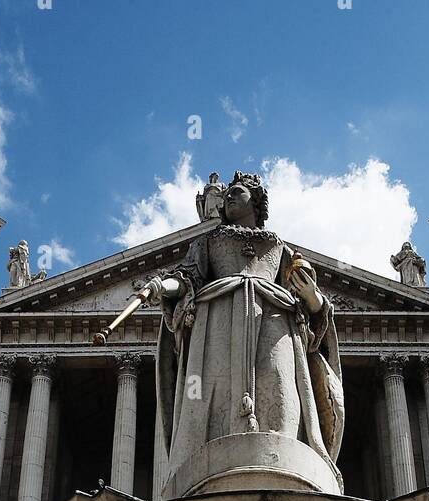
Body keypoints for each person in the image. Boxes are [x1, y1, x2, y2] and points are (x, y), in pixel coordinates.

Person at [145, 171, 344, 480]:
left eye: (237, 192)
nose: (229, 197)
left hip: (275, 318)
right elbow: (187, 278)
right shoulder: (208, 241)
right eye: (226, 195)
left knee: (279, 386)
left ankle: (282, 465)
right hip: (217, 320)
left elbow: (309, 299)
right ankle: (207, 468)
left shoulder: (279, 246)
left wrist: (312, 297)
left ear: (257, 200)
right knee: (212, 395)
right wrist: (162, 286)